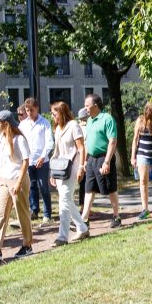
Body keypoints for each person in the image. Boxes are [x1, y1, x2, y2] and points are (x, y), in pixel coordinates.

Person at [0, 111, 35, 261]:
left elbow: (25, 161)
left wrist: (18, 183)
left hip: (17, 180)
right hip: (5, 179)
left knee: (22, 213)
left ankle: (27, 245)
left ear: (6, 124)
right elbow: (2, 158)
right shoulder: (1, 137)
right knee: (0, 213)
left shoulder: (19, 139)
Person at [49, 101, 90, 244]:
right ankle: (82, 228)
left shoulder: (73, 126)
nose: (53, 116)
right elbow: (57, 151)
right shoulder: (58, 128)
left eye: (54, 113)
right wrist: (52, 172)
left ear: (62, 112)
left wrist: (81, 167)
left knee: (64, 201)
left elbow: (81, 148)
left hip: (72, 168)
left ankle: (62, 236)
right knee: (67, 200)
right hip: (60, 168)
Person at [81, 94, 122, 228]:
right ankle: (84, 220)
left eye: (87, 105)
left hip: (104, 158)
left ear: (95, 106)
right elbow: (88, 143)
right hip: (92, 160)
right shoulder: (90, 121)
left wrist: (107, 161)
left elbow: (112, 141)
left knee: (111, 188)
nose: (85, 108)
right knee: (89, 189)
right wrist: (86, 161)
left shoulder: (107, 119)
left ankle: (116, 216)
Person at [19, 98, 54, 222]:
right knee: (31, 186)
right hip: (29, 161)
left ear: (37, 108)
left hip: (42, 161)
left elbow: (49, 142)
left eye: (31, 110)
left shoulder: (45, 123)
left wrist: (43, 156)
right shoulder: (23, 124)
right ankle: (34, 210)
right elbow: (20, 141)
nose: (29, 113)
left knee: (43, 186)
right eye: (27, 111)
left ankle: (47, 214)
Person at [76, 107, 89, 211]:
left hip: (78, 159)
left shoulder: (77, 128)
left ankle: (83, 206)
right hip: (85, 159)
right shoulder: (86, 128)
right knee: (86, 185)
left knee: (83, 184)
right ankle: (85, 207)